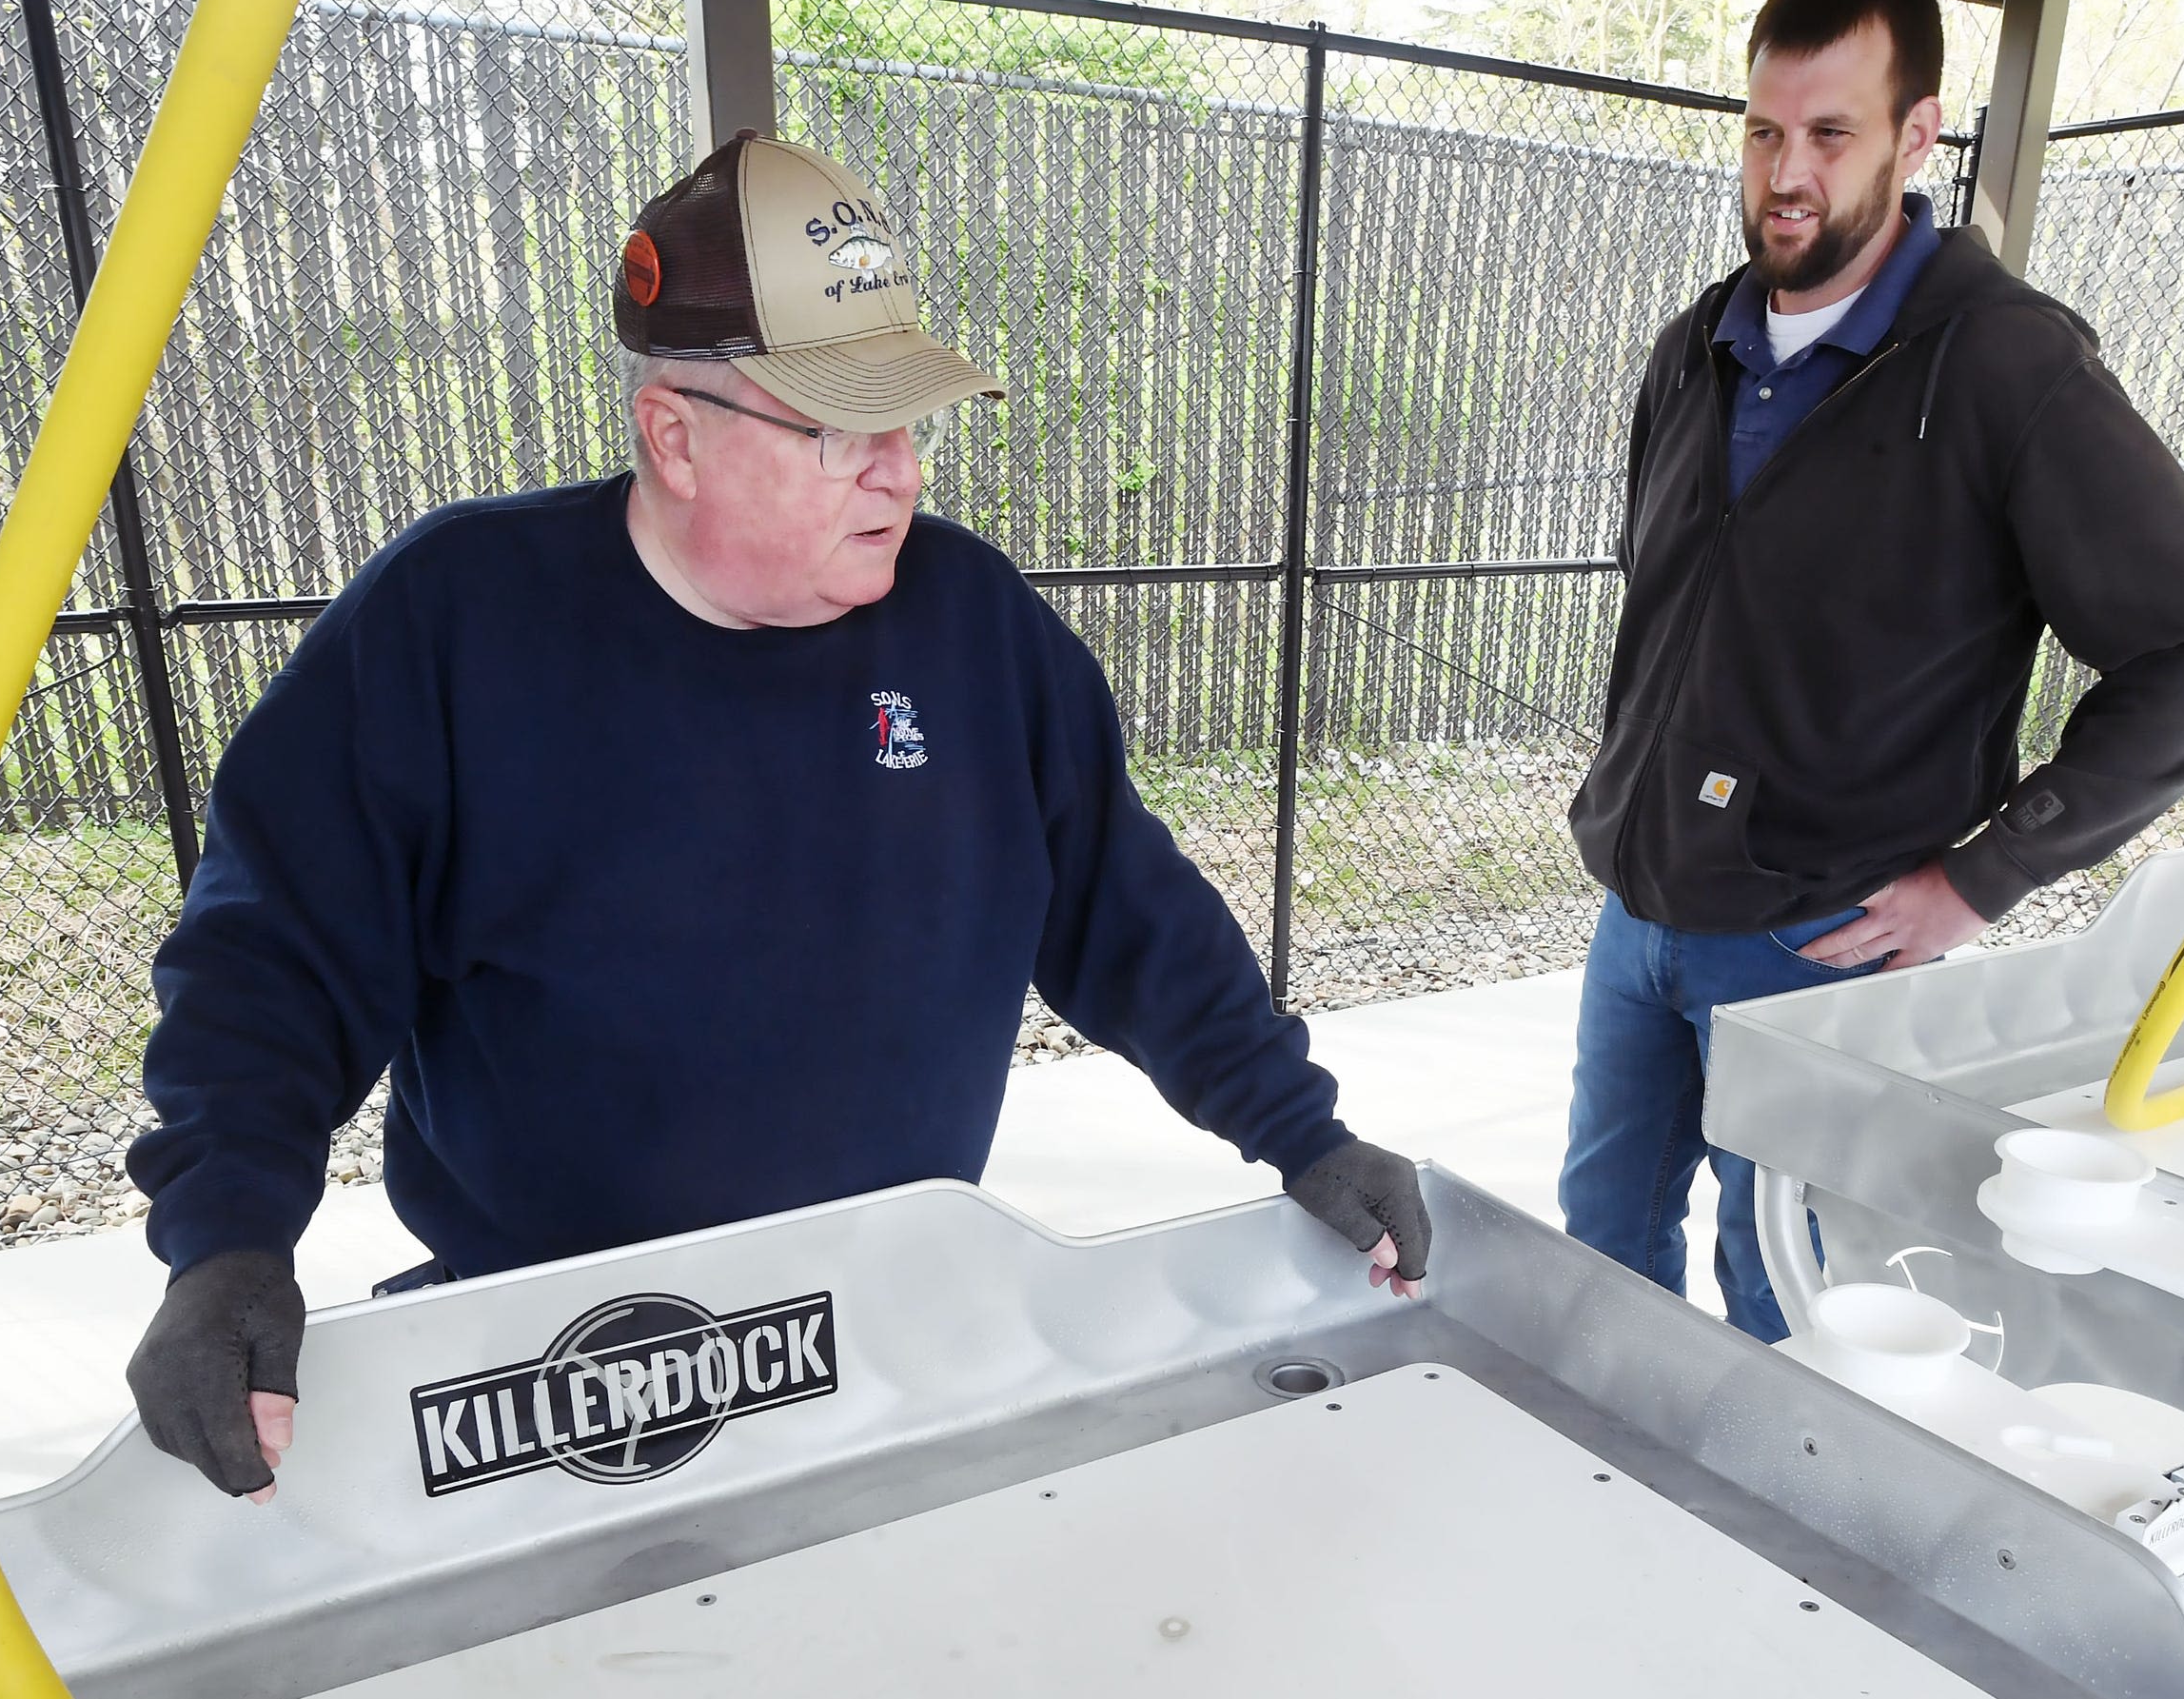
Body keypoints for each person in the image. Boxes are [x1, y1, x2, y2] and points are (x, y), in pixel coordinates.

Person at [122, 132, 1433, 1502]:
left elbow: (1123, 905)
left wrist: (1303, 1129)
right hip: (567, 1369)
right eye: (838, 430)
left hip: (891, 1312)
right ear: (675, 436)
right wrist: (227, 1236)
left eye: (906, 421)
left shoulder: (971, 625)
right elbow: (277, 954)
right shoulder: (454, 627)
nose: (900, 474)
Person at [1562, 0, 2184, 1340]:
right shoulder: (1696, 348)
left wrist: (1984, 874)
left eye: (1831, 134)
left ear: (1920, 134)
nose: (1787, 175)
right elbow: (1680, 609)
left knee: (1789, 1283)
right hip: (1639, 907)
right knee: (1599, 1246)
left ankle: (1785, 1544)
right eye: (1764, 132)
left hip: (1817, 938)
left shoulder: (2007, 364)